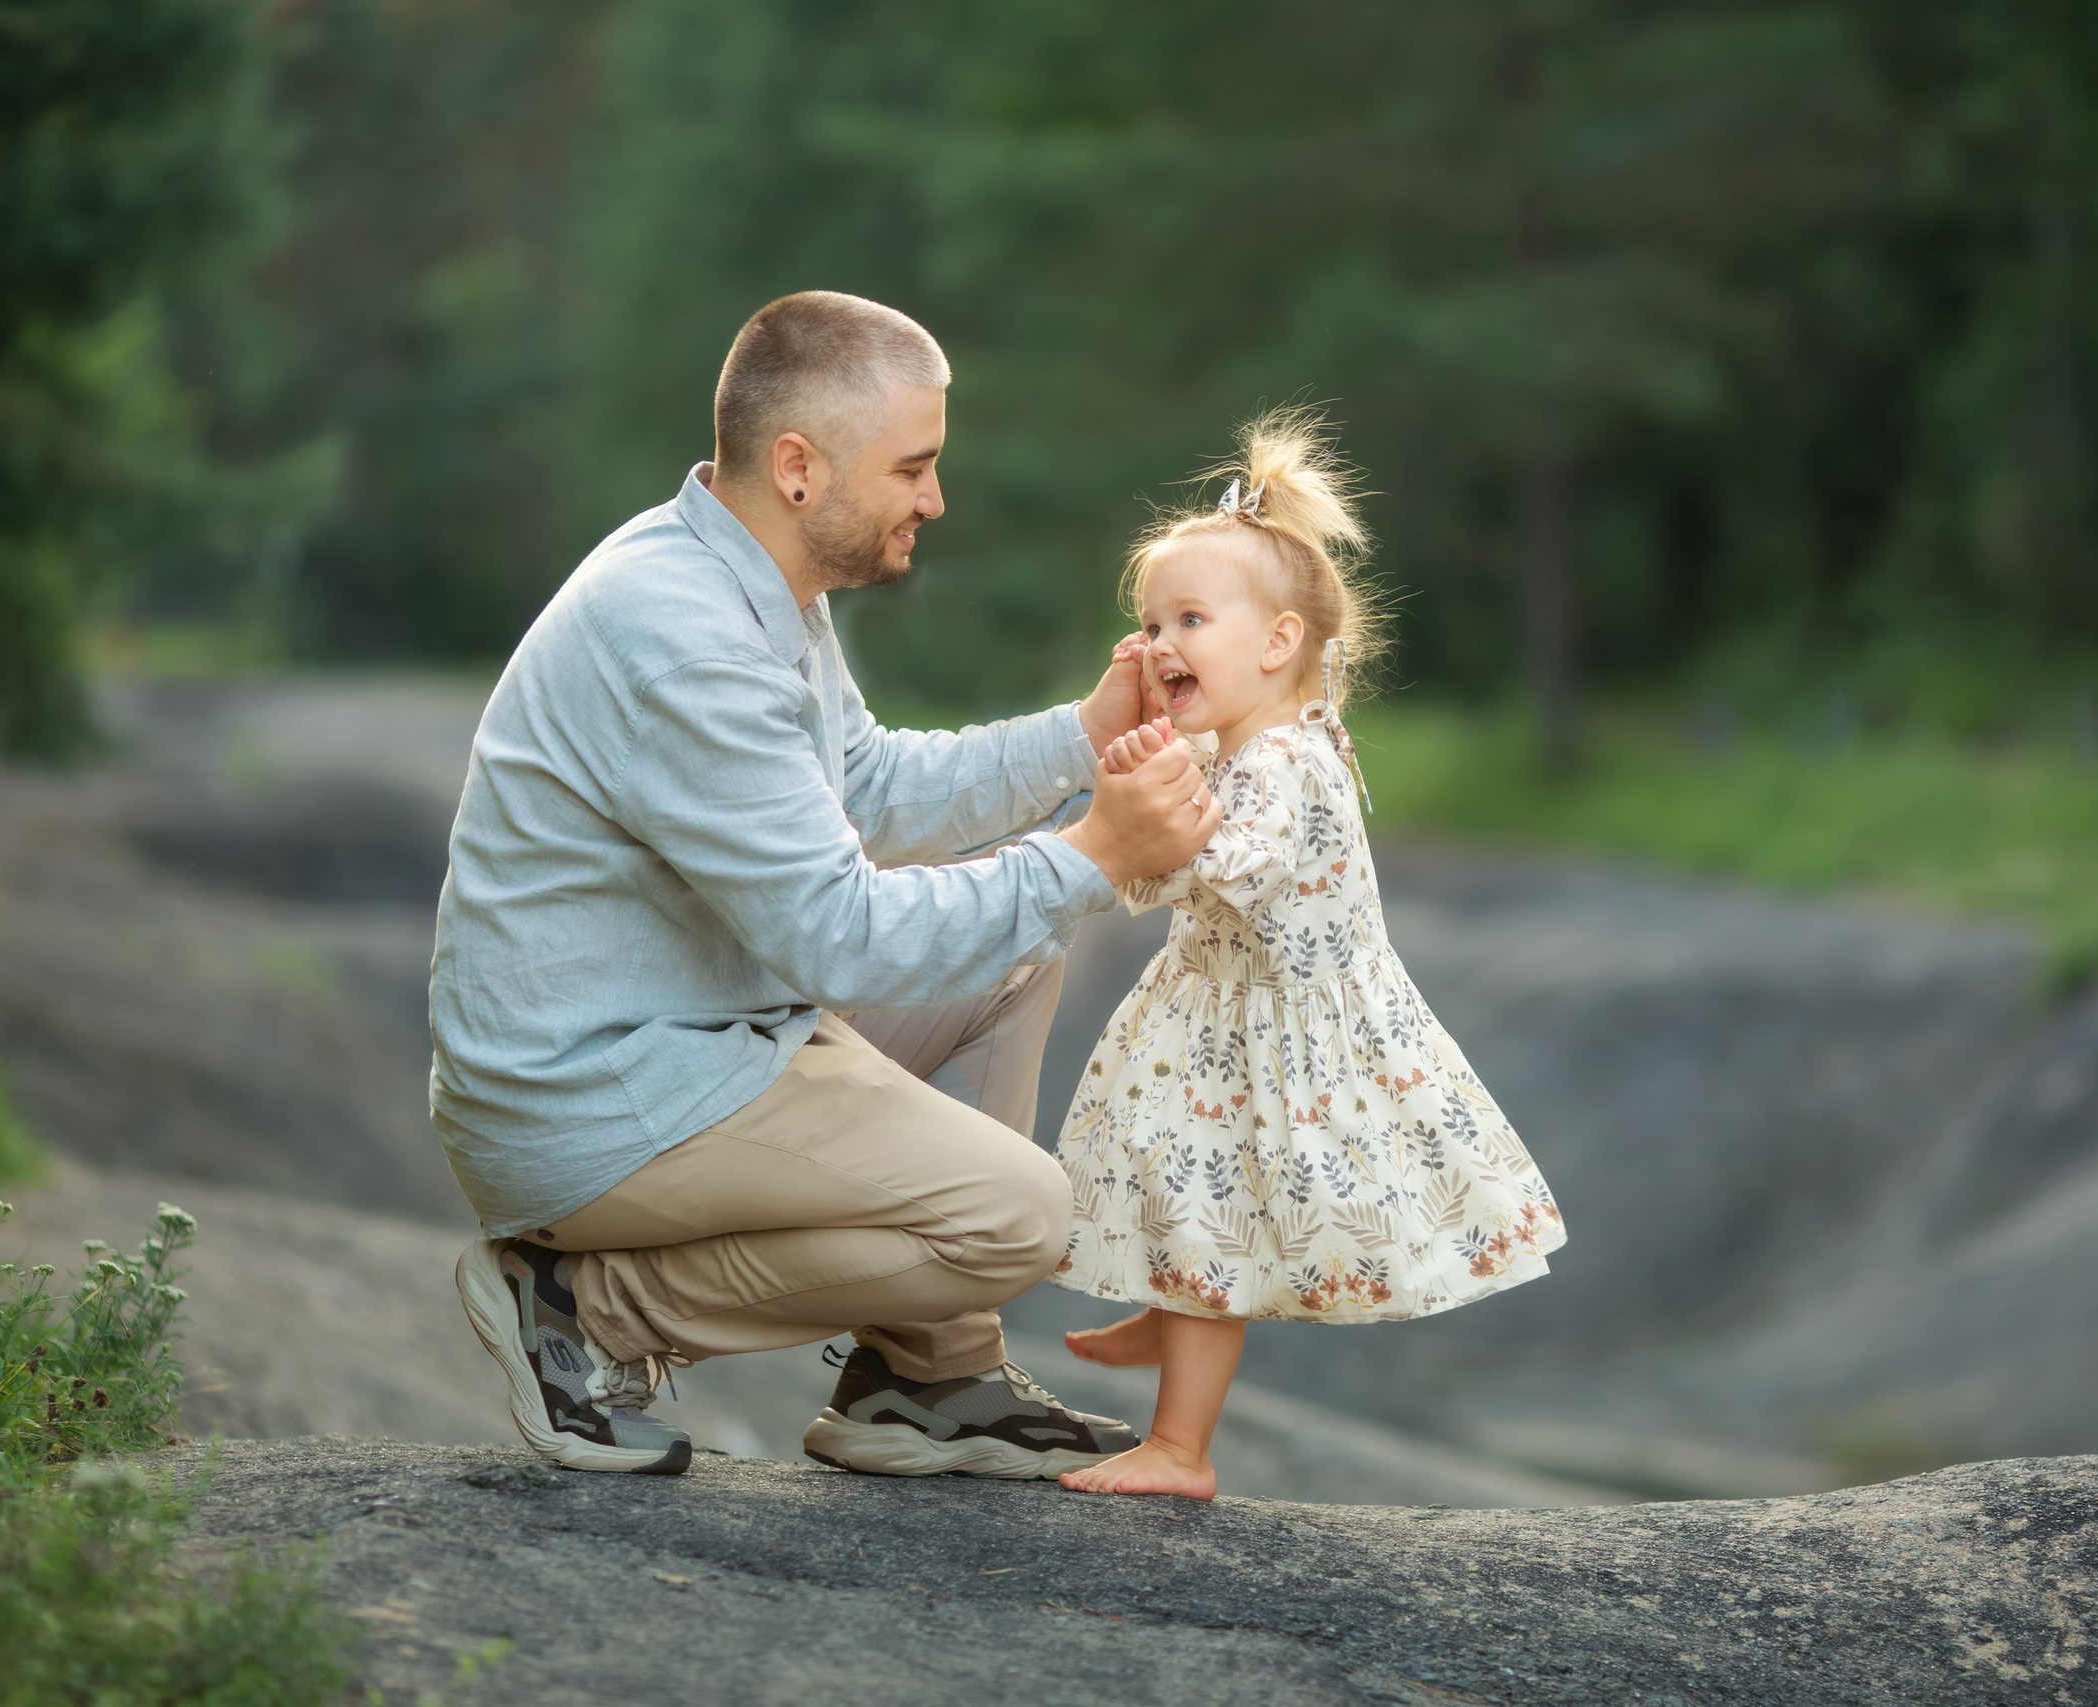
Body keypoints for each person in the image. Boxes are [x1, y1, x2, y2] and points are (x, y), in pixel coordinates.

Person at [432, 291, 1222, 1476]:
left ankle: (928, 1375)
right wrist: (1093, 856)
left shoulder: (759, 582)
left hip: (699, 1034)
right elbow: (837, 938)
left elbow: (867, 789)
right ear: (799, 467)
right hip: (591, 1101)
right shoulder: (682, 631)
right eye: (914, 468)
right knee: (1019, 1215)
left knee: (1016, 951)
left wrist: (1083, 733)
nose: (935, 499)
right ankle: (583, 1310)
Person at [1048, 410, 1566, 1499]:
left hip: (1279, 1031)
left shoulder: (1283, 761)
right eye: (1150, 622)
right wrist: (1156, 778)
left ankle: (1180, 1449)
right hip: (1217, 1012)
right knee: (1167, 1167)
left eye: (1189, 618)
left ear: (1278, 642)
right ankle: (1174, 1305)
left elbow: (1224, 862)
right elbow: (1156, 876)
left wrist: (1154, 803)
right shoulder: (1236, 744)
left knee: (1220, 1202)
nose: (1158, 643)